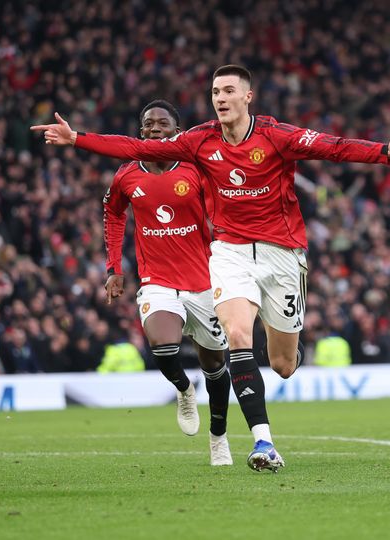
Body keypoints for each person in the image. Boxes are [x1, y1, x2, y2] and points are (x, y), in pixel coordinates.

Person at [32, 64, 390, 472]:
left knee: (283, 365)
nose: (221, 98)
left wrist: (382, 152)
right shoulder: (199, 140)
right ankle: (263, 442)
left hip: (282, 254)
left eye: (229, 90)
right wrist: (77, 138)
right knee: (237, 336)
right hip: (230, 252)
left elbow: (331, 146)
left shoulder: (276, 135)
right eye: (215, 92)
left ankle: (289, 348)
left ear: (248, 96)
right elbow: (135, 148)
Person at [103, 100, 232, 466]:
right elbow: (113, 214)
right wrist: (114, 267)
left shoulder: (195, 168)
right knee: (163, 347)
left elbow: (223, 210)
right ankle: (184, 389)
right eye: (148, 123)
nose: (155, 127)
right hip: (157, 280)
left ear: (178, 131)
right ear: (141, 131)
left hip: (204, 281)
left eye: (162, 123)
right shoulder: (127, 174)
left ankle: (218, 438)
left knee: (215, 365)